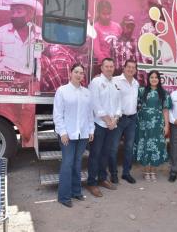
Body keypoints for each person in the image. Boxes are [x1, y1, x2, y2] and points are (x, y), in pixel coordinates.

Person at [53, 63, 94, 208]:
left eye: (81, 73)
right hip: (68, 135)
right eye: (76, 72)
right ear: (70, 73)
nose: (79, 75)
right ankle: (63, 196)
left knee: (77, 163)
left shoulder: (87, 92)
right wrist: (63, 132)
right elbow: (57, 115)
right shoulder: (62, 91)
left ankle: (76, 192)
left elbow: (90, 114)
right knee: (67, 163)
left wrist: (91, 130)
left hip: (82, 134)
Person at [86, 57, 121, 197]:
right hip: (100, 124)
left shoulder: (115, 83)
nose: (109, 68)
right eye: (106, 66)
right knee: (95, 154)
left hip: (112, 125)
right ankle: (92, 183)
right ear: (102, 68)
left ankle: (102, 178)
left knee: (106, 153)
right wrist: (107, 120)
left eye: (111, 66)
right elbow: (95, 104)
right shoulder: (96, 82)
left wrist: (116, 118)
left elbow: (119, 103)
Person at [0, 0, 42, 77]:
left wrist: (35, 79)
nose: (14, 15)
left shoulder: (40, 35)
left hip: (32, 80)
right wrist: (6, 78)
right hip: (6, 79)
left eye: (19, 12)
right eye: (12, 12)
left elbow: (42, 62)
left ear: (31, 14)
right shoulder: (1, 32)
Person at [134, 70, 172, 182]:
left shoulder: (164, 93)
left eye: (156, 77)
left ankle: (153, 171)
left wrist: (166, 126)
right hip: (143, 124)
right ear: (148, 79)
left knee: (156, 147)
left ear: (159, 79)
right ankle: (146, 171)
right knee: (145, 146)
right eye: (151, 77)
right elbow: (136, 106)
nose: (154, 79)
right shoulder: (141, 91)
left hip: (157, 124)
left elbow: (165, 110)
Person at [109, 59, 139, 184]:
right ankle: (113, 173)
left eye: (133, 67)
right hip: (118, 119)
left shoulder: (136, 83)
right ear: (124, 67)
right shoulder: (115, 80)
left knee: (129, 148)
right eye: (129, 67)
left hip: (132, 119)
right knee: (113, 148)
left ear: (136, 70)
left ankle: (126, 173)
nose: (131, 69)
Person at [93, 0, 121, 64]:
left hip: (117, 63)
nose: (107, 16)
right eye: (104, 14)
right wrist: (107, 63)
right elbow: (97, 51)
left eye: (109, 13)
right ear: (98, 13)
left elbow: (121, 46)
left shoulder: (117, 26)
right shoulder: (95, 27)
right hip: (103, 65)